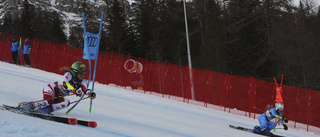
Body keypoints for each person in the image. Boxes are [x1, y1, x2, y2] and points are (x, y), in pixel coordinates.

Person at [17, 62, 96, 114]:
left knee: (66, 102)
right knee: (49, 101)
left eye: (83, 73)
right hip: (51, 89)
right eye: (80, 73)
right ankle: (28, 106)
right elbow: (64, 83)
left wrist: (90, 93)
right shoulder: (68, 75)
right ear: (75, 72)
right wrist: (73, 90)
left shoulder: (83, 81)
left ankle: (44, 111)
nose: (82, 75)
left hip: (59, 95)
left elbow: (84, 89)